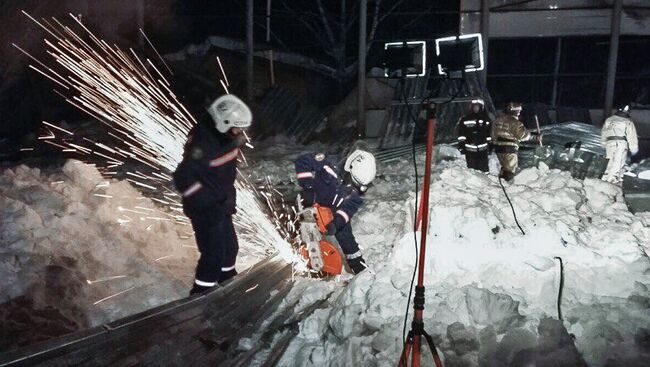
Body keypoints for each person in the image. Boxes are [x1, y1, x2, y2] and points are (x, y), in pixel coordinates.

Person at [173, 94, 251, 295]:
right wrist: (207, 204)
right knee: (214, 253)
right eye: (237, 128)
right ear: (224, 123)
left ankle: (228, 280)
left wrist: (227, 200)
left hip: (220, 204)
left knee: (230, 248)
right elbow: (182, 178)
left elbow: (224, 173)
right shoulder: (204, 144)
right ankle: (201, 292)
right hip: (203, 208)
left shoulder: (225, 137)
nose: (240, 133)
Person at [294, 144, 376, 275]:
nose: (357, 189)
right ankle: (301, 251)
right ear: (350, 169)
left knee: (344, 233)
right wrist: (308, 186)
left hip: (333, 206)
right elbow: (303, 161)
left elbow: (346, 211)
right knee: (306, 230)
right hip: (310, 201)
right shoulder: (329, 164)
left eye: (361, 187)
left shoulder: (358, 190)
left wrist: (335, 224)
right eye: (356, 183)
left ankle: (358, 266)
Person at [491, 102, 538, 181]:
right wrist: (534, 136)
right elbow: (522, 135)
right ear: (515, 111)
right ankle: (507, 186)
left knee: (505, 168)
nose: (519, 112)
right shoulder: (515, 123)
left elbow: (492, 134)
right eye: (518, 111)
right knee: (510, 170)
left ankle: (502, 182)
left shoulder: (498, 120)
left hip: (498, 148)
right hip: (509, 149)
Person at [601, 105, 638, 183]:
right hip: (620, 143)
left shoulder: (609, 120)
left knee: (610, 160)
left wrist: (603, 142)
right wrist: (634, 148)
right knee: (618, 161)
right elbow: (632, 136)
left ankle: (605, 176)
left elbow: (604, 132)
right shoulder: (627, 121)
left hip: (609, 143)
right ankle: (612, 179)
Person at [457, 99, 492, 172]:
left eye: (477, 107)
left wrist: (490, 145)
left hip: (483, 150)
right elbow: (461, 134)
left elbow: (489, 134)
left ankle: (485, 182)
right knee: (472, 171)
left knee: (484, 170)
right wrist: (461, 145)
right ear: (471, 107)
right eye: (474, 107)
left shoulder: (486, 120)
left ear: (481, 107)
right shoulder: (465, 119)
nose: (476, 108)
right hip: (470, 150)